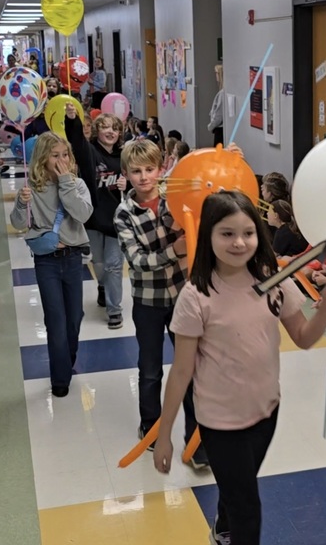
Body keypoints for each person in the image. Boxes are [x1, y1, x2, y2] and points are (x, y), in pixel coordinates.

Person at [151, 190, 326, 545]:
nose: (240, 242)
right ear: (209, 235)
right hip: (220, 423)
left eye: (248, 233)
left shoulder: (271, 281)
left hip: (266, 412)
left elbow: (302, 337)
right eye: (227, 233)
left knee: (237, 487)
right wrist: (164, 437)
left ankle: (222, 525)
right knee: (248, 506)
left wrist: (325, 309)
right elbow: (180, 372)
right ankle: (231, 528)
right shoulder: (196, 297)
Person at [113, 139, 207, 467]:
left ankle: (197, 442)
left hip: (183, 297)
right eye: (136, 171)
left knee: (190, 367)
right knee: (150, 369)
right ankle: (151, 427)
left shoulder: (173, 197)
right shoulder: (124, 214)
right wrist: (174, 252)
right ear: (125, 174)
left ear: (160, 169)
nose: (143, 177)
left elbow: (210, 199)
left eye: (149, 170)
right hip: (149, 302)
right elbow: (137, 260)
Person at [9, 132, 93, 398]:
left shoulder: (76, 184)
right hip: (46, 262)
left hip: (72, 258)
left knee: (74, 319)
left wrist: (66, 182)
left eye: (65, 154)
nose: (61, 161)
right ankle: (60, 377)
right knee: (55, 320)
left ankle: (66, 360)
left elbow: (82, 214)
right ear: (42, 159)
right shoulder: (33, 188)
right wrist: (22, 204)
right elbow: (19, 223)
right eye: (55, 156)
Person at [65, 104, 126, 329]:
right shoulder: (90, 152)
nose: (110, 132)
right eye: (105, 127)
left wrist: (126, 184)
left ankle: (114, 310)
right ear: (97, 131)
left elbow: (138, 180)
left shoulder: (125, 155)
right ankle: (103, 286)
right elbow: (76, 140)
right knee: (99, 263)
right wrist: (72, 119)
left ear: (120, 133)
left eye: (115, 128)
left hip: (117, 220)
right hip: (93, 217)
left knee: (114, 266)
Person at [208, 64, 225, 146]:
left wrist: (210, 126)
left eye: (216, 73)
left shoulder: (221, 94)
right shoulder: (222, 92)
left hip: (219, 130)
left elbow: (218, 116)